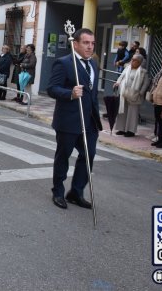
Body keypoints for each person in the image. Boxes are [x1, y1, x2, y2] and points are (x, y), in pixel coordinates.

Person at [47, 28, 102, 210]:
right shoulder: (63, 63)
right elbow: (52, 88)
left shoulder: (93, 64)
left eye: (92, 43)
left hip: (89, 120)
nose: (90, 46)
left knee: (89, 155)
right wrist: (70, 93)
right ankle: (58, 192)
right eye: (86, 43)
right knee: (63, 156)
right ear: (75, 44)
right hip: (69, 119)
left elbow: (92, 93)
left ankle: (76, 192)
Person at [113, 54, 150, 137]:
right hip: (124, 92)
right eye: (132, 59)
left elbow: (146, 83)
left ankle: (130, 131)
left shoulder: (143, 72)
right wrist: (117, 83)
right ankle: (121, 129)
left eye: (135, 60)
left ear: (139, 62)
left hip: (135, 95)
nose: (132, 61)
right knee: (123, 111)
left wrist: (141, 92)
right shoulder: (127, 68)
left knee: (132, 113)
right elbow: (121, 77)